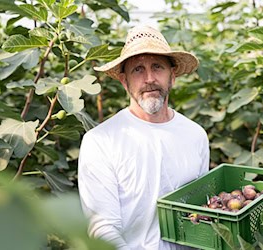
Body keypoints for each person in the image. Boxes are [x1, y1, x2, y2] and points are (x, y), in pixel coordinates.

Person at [78, 25, 210, 250]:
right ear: (124, 81)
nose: (149, 78)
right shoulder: (101, 141)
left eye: (157, 67)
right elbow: (103, 229)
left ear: (172, 76)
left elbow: (200, 212)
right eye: (138, 69)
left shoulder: (195, 135)